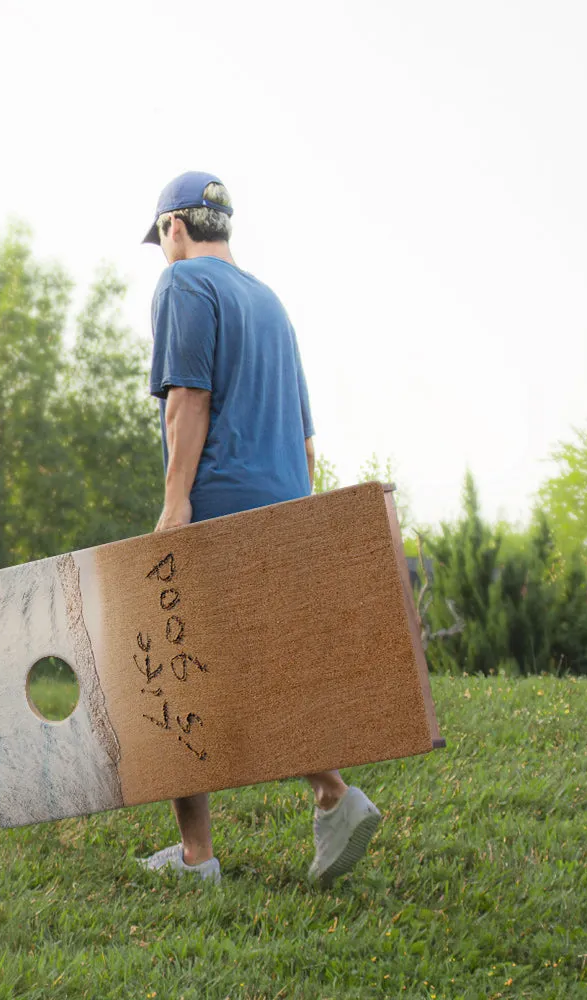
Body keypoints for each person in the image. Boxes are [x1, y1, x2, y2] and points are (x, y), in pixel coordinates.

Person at [137, 171, 381, 886]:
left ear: (175, 227)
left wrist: (176, 501)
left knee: (178, 672)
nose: (160, 249)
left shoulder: (185, 285)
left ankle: (197, 856)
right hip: (286, 499)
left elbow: (188, 398)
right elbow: (307, 439)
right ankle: (333, 794)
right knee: (253, 670)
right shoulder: (271, 304)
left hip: (219, 495)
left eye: (158, 237)